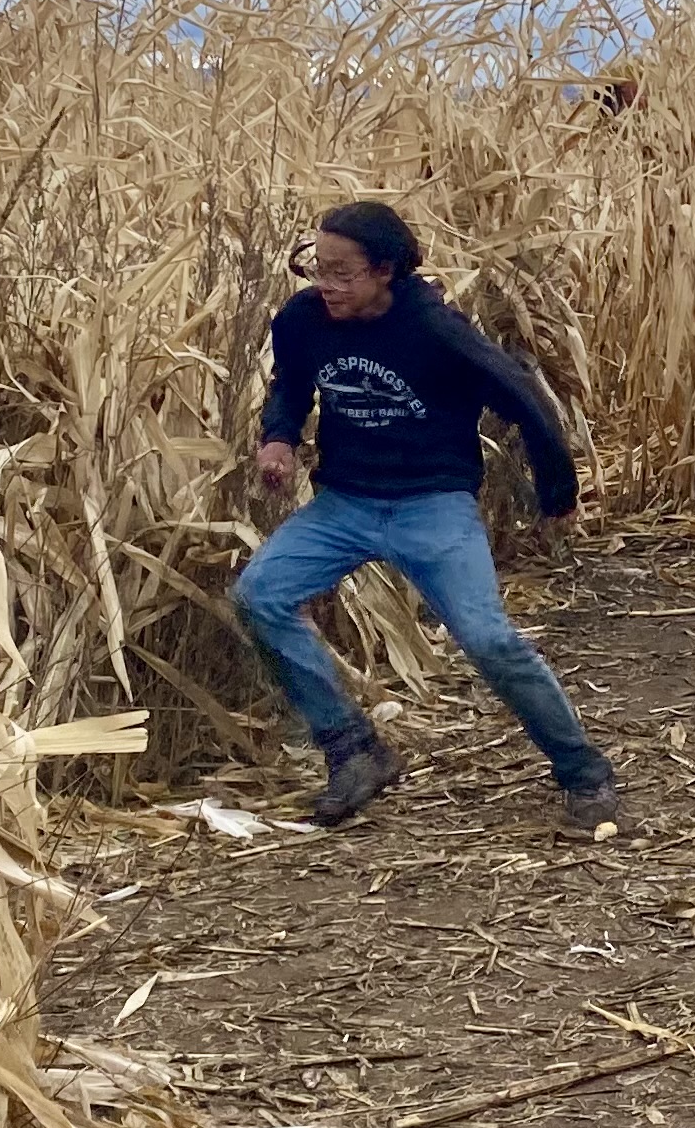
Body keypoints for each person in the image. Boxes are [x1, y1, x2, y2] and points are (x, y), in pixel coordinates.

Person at [234, 201, 628, 836]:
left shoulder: (436, 331)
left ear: (386, 270)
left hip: (432, 505)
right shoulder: (304, 319)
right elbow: (290, 385)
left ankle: (584, 772)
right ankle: (353, 750)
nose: (325, 286)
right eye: (318, 268)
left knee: (489, 639)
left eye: (343, 274)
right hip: (345, 504)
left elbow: (526, 401)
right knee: (261, 595)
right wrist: (277, 437)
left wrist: (557, 494)